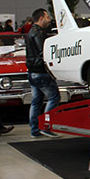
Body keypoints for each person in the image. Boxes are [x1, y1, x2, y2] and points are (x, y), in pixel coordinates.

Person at [26, 9, 60, 138]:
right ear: (41, 18)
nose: (49, 19)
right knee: (54, 98)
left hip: (32, 72)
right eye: (47, 17)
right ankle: (46, 126)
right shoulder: (39, 33)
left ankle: (35, 129)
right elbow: (43, 52)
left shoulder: (31, 32)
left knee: (36, 102)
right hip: (41, 72)